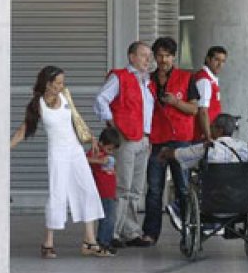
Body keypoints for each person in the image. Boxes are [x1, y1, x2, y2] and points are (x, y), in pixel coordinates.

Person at [10, 65, 110, 258]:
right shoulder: (37, 105)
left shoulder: (65, 96)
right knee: (57, 193)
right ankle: (48, 242)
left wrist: (90, 138)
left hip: (75, 150)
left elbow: (77, 119)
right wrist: (6, 147)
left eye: (62, 82)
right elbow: (24, 130)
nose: (60, 86)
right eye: (57, 83)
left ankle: (90, 241)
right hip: (57, 153)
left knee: (87, 189)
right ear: (47, 84)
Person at [134, 37, 200, 247]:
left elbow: (194, 109)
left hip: (181, 139)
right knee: (154, 189)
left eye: (167, 55)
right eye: (160, 55)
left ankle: (188, 229)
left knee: (182, 187)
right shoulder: (148, 79)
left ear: (174, 56)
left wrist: (175, 102)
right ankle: (150, 233)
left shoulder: (186, 78)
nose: (163, 59)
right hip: (157, 139)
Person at [94, 41, 154, 248]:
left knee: (136, 189)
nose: (148, 59)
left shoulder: (147, 82)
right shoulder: (119, 77)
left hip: (143, 138)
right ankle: (114, 231)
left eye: (149, 55)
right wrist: (112, 124)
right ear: (132, 57)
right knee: (122, 186)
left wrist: (149, 137)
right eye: (144, 55)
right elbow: (101, 99)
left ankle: (130, 230)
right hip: (126, 138)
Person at [86, 127, 121, 254]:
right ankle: (103, 241)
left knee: (111, 217)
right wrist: (99, 161)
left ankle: (108, 239)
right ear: (101, 143)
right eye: (109, 149)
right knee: (106, 217)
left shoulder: (108, 156)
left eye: (113, 150)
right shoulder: (96, 151)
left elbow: (112, 174)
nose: (110, 152)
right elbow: (85, 160)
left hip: (110, 192)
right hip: (101, 191)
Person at [194, 46, 227, 142]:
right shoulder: (204, 80)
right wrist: (208, 137)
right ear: (208, 59)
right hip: (202, 135)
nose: (220, 64)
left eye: (223, 61)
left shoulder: (210, 78)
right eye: (216, 60)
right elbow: (203, 111)